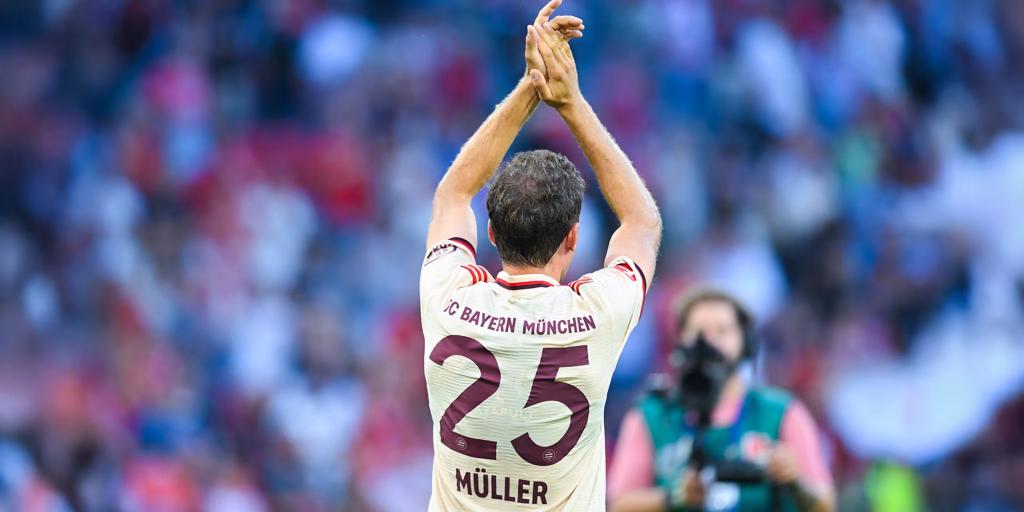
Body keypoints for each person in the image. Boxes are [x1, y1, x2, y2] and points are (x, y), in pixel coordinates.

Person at [419, 0, 662, 509]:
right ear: (573, 238)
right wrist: (570, 102)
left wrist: (530, 88)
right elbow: (642, 222)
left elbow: (453, 194)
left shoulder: (446, 296)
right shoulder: (597, 314)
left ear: (489, 231)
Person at [608, 288, 835, 512]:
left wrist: (794, 480)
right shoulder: (652, 415)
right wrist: (672, 498)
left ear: (746, 343)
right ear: (681, 342)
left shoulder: (781, 412)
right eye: (699, 332)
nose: (710, 342)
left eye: (722, 331)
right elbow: (617, 504)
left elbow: (825, 504)